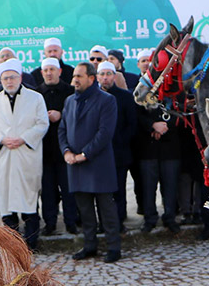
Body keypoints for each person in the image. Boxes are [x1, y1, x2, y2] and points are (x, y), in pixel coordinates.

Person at [0, 58, 49, 250]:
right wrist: (2, 140)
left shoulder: (35, 98)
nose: (9, 81)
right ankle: (11, 244)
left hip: (26, 154)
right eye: (5, 78)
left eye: (12, 77)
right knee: (6, 199)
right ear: (0, 80)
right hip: (6, 155)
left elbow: (42, 123)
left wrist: (23, 138)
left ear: (20, 77)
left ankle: (31, 243)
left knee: (28, 198)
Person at [60, 62, 121, 263]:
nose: (75, 80)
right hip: (75, 165)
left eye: (79, 76)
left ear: (91, 78)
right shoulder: (70, 101)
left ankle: (113, 247)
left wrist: (84, 154)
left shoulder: (106, 100)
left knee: (106, 209)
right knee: (84, 210)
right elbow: (62, 129)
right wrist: (66, 151)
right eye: (74, 76)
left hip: (99, 164)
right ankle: (89, 245)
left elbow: (105, 133)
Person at [34, 57, 79, 235]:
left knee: (68, 189)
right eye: (46, 70)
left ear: (59, 71)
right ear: (41, 73)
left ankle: (71, 221)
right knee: (47, 190)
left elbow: (77, 116)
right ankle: (50, 222)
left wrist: (61, 115)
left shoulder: (70, 92)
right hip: (44, 150)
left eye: (52, 69)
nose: (49, 73)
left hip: (66, 149)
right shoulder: (36, 94)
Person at [96, 61, 137, 229]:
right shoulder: (92, 97)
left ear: (114, 76)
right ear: (97, 77)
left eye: (108, 74)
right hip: (98, 153)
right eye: (102, 74)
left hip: (119, 152)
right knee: (101, 191)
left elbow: (132, 124)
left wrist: (120, 141)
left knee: (119, 188)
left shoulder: (125, 97)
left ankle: (119, 221)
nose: (105, 78)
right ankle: (103, 223)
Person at [135, 95, 182, 234]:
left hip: (170, 148)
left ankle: (170, 217)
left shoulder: (174, 91)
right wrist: (152, 126)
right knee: (148, 187)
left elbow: (180, 113)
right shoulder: (142, 90)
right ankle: (149, 219)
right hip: (148, 149)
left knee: (170, 187)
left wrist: (164, 128)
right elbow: (137, 115)